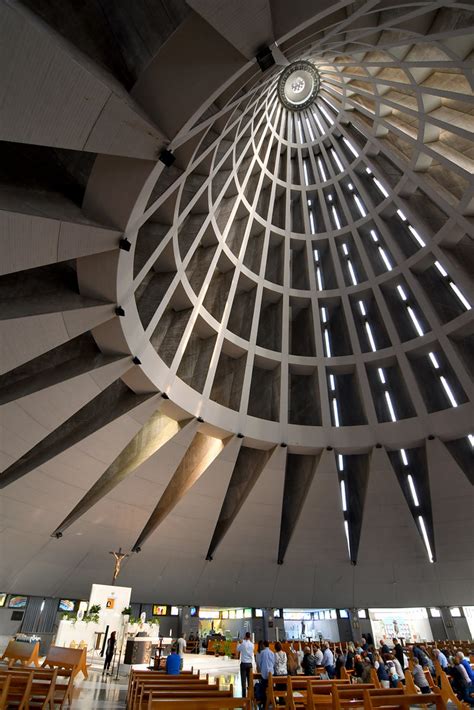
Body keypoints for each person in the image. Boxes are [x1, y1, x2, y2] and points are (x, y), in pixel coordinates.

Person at [258, 641, 276, 707]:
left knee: (263, 688)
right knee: (271, 687)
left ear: (264, 645)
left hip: (264, 673)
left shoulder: (262, 652)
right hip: (271, 673)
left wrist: (261, 668)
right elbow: (274, 663)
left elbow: (260, 662)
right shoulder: (272, 653)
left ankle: (264, 701)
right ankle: (272, 701)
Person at [237, 631, 254, 697]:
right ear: (250, 637)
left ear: (245, 636)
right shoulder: (252, 645)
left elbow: (237, 649)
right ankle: (250, 695)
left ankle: (244, 696)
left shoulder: (243, 643)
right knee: (250, 681)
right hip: (250, 664)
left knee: (243, 681)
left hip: (244, 664)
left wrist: (239, 643)